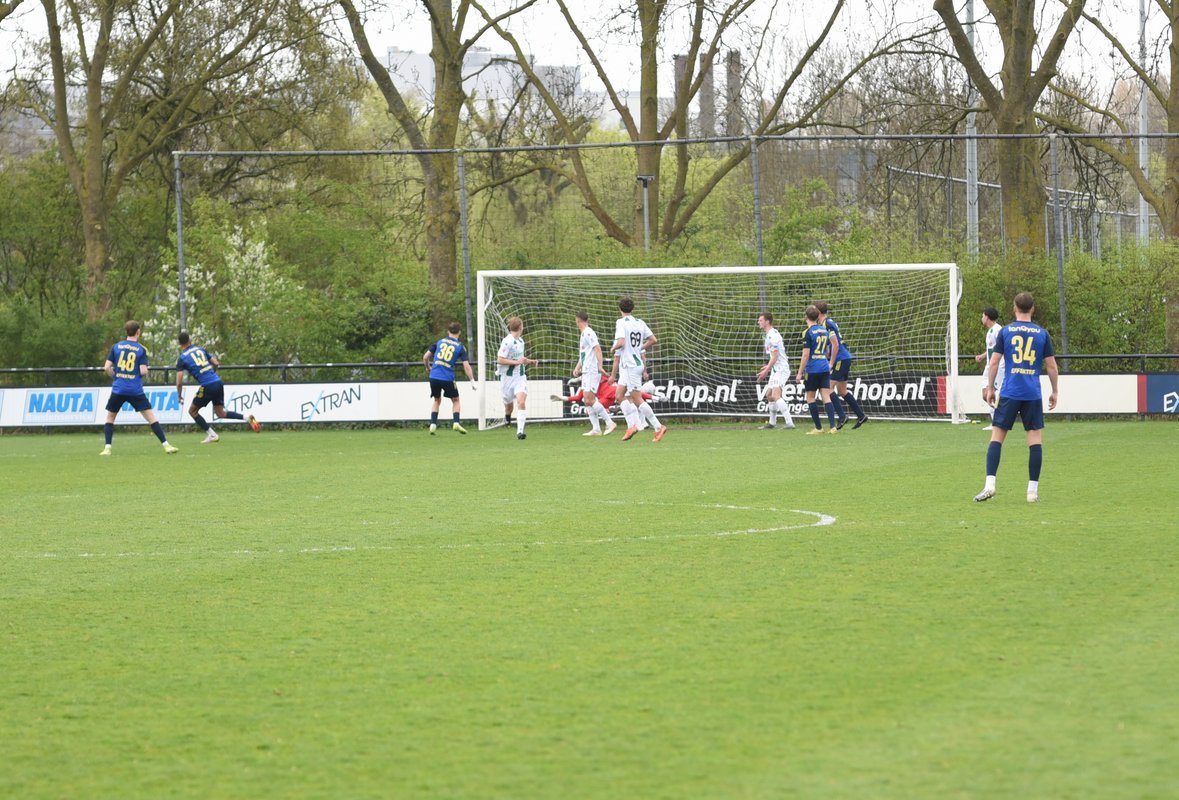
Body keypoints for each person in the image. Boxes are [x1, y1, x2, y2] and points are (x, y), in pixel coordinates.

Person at [974, 292, 1059, 504]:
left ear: (1014, 308)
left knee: (996, 437)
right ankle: (1032, 492)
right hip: (1032, 393)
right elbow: (1051, 365)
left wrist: (991, 388)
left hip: (1010, 391)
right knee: (1035, 441)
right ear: (1033, 309)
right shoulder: (1042, 334)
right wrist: (1055, 390)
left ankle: (990, 485)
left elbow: (994, 362)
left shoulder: (1006, 331)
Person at [100, 320, 178, 455]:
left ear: (126, 331)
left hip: (118, 388)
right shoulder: (141, 349)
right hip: (135, 389)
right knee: (151, 418)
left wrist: (116, 377)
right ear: (138, 332)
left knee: (110, 418)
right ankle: (166, 445)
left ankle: (107, 448)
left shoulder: (116, 347)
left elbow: (107, 367)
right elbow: (143, 371)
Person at [175, 331, 260, 443]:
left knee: (192, 411)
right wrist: (212, 373)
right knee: (221, 413)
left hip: (207, 385)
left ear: (179, 344)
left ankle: (212, 434)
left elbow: (179, 382)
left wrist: (179, 396)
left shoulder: (182, 358)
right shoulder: (200, 349)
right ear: (189, 340)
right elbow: (215, 363)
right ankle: (246, 417)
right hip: (218, 382)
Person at [610, 295, 667, 442]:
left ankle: (658, 427)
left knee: (636, 398)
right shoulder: (640, 322)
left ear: (620, 309)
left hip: (630, 365)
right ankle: (632, 426)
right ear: (633, 309)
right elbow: (653, 340)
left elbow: (621, 342)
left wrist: (613, 348)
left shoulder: (621, 322)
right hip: (628, 366)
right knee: (619, 395)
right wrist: (639, 348)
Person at [816, 301, 868, 430]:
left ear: (818, 312)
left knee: (827, 388)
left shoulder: (827, 324)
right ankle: (861, 415)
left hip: (841, 359)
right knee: (842, 391)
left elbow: (835, 344)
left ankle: (842, 416)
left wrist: (831, 363)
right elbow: (831, 345)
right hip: (844, 358)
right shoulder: (827, 323)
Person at [551, 375, 653, 435]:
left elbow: (602, 376)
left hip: (612, 392)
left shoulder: (596, 375)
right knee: (588, 406)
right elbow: (578, 397)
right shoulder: (586, 385)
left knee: (634, 398)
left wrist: (653, 397)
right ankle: (598, 427)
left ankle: (639, 424)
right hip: (606, 398)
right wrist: (562, 398)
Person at [423, 322, 476, 435]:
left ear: (448, 331)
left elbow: (425, 357)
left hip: (434, 376)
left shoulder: (439, 342)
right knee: (456, 400)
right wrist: (472, 381)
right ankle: (456, 423)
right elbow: (466, 366)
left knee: (436, 400)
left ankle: (433, 425)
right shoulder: (460, 347)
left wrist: (428, 367)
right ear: (459, 332)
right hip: (447, 377)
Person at [794, 304, 838, 435]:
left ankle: (818, 428)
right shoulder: (824, 330)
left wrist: (799, 373)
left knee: (810, 397)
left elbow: (805, 355)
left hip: (813, 369)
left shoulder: (807, 332)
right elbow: (828, 350)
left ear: (806, 317)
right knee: (826, 396)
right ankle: (833, 427)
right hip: (824, 366)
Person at [572, 311, 616, 436]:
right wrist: (577, 367)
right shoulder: (583, 334)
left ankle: (609, 422)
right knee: (586, 400)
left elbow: (597, 348)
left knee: (590, 399)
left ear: (577, 320)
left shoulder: (588, 332)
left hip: (591, 370)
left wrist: (600, 366)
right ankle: (596, 429)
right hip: (586, 370)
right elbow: (584, 354)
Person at [496, 316, 538, 439]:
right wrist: (517, 362)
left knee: (521, 401)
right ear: (520, 327)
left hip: (520, 377)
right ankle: (507, 416)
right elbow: (500, 360)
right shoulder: (507, 341)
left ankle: (520, 432)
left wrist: (530, 361)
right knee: (509, 406)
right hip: (507, 379)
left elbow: (521, 359)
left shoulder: (521, 341)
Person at [754, 312, 796, 430]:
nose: (758, 322)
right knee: (769, 395)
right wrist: (768, 367)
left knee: (776, 395)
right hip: (776, 369)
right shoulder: (769, 334)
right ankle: (772, 423)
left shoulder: (772, 336)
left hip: (781, 369)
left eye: (760, 320)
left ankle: (789, 423)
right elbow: (773, 356)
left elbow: (776, 356)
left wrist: (766, 371)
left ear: (767, 321)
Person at [975, 307, 1005, 432]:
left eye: (982, 316)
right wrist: (982, 356)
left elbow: (1004, 348)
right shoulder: (990, 331)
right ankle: (997, 420)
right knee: (985, 394)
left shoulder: (998, 330)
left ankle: (997, 422)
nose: (982, 318)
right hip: (989, 365)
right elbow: (992, 349)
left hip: (998, 366)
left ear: (987, 317)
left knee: (993, 392)